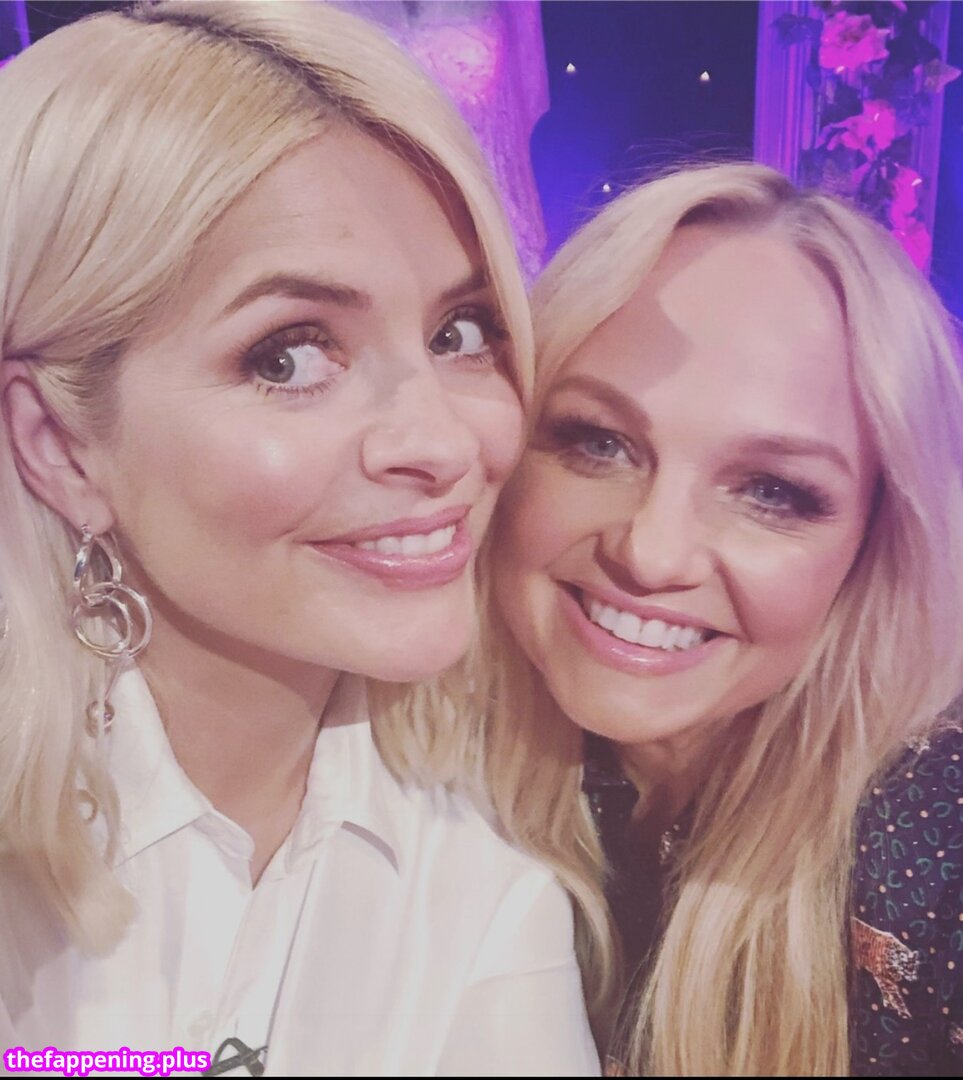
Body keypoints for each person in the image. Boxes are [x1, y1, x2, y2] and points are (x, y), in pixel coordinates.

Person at [0, 3, 598, 1074]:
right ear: (60, 445)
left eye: (459, 333)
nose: (444, 443)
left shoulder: (481, 884)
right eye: (287, 356)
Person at [485, 162, 963, 1075]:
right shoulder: (403, 742)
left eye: (772, 491)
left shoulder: (931, 843)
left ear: (876, 543)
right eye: (597, 441)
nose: (651, 553)